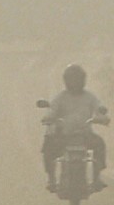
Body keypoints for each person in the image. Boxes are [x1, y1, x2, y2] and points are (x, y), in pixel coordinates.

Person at [42, 63, 109, 192]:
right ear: (66, 80)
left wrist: (102, 116)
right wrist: (48, 118)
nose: (75, 82)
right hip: (63, 135)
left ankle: (96, 178)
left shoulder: (90, 97)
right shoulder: (60, 97)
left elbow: (99, 108)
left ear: (83, 80)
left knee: (100, 144)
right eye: (72, 79)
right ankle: (51, 179)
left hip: (84, 134)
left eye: (77, 79)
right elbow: (52, 111)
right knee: (48, 146)